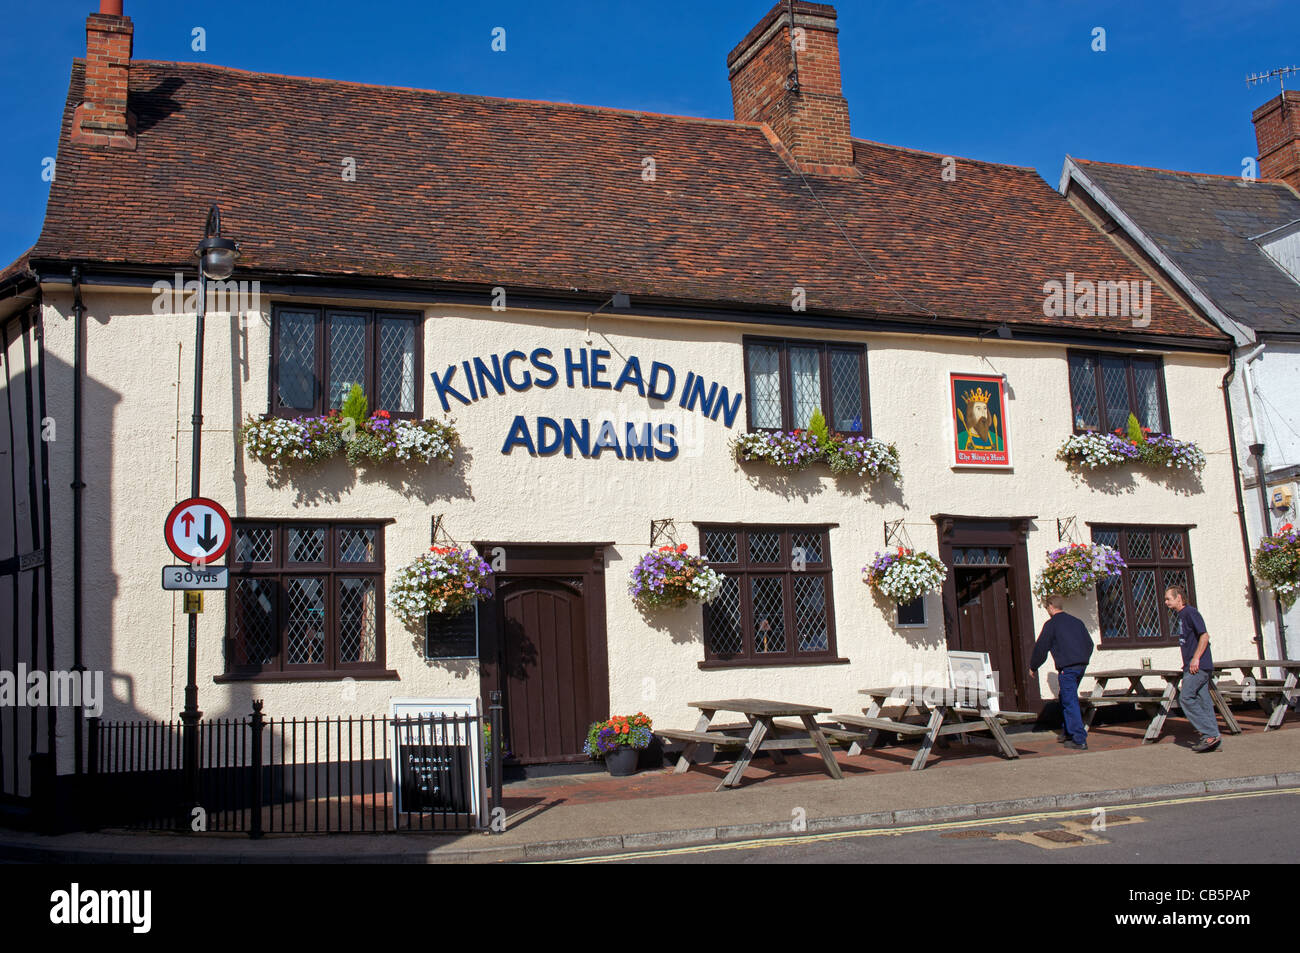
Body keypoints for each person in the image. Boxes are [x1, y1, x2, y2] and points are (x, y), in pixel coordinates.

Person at [1029, 594, 1095, 750]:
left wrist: (1033, 666)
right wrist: (1083, 659)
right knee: (1065, 696)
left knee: (1069, 700)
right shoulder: (1077, 622)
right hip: (1080, 666)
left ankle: (1079, 739)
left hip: (1068, 669)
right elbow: (1089, 644)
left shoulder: (1051, 625)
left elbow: (1041, 648)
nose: (1047, 611)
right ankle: (1067, 732)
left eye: (1046, 608)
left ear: (1051, 606)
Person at [1166, 586, 1221, 753]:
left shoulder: (1190, 613)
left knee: (1186, 698)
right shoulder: (1182, 615)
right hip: (1193, 665)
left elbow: (1204, 635)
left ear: (1179, 598)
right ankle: (1212, 738)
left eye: (1169, 598)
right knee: (1203, 701)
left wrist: (1196, 658)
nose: (1166, 602)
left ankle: (1210, 734)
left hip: (1198, 666)